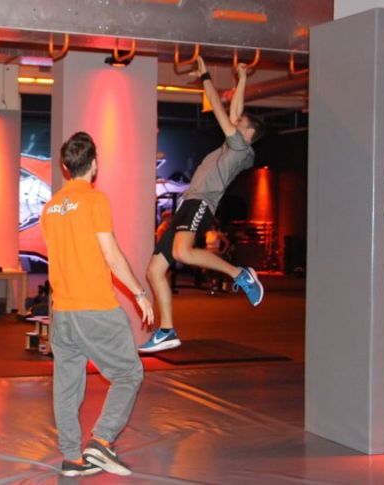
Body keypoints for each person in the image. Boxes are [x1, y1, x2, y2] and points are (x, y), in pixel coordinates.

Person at [41, 132, 154, 477]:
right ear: (94, 164)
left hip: (62, 312)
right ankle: (102, 441)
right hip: (95, 308)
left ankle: (71, 458)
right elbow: (111, 254)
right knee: (129, 374)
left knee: (66, 386)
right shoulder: (94, 200)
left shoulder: (50, 208)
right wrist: (139, 292)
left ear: (65, 167)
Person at [139, 57, 265, 353]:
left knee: (182, 252)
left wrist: (206, 76)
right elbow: (236, 112)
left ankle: (239, 274)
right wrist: (242, 79)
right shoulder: (234, 143)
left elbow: (223, 112)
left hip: (201, 204)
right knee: (154, 270)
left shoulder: (240, 148)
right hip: (187, 205)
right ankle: (167, 331)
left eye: (239, 124)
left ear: (247, 134)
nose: (234, 121)